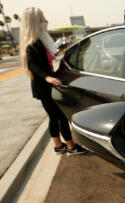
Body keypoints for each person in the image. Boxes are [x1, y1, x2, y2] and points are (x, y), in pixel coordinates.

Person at [19, 7, 86, 155]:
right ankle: (71, 146)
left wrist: (60, 50)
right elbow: (32, 64)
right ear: (35, 22)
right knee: (60, 116)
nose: (46, 21)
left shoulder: (41, 40)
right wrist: (47, 76)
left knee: (54, 117)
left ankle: (58, 146)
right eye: (42, 19)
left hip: (45, 85)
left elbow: (44, 61)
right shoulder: (33, 43)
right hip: (43, 86)